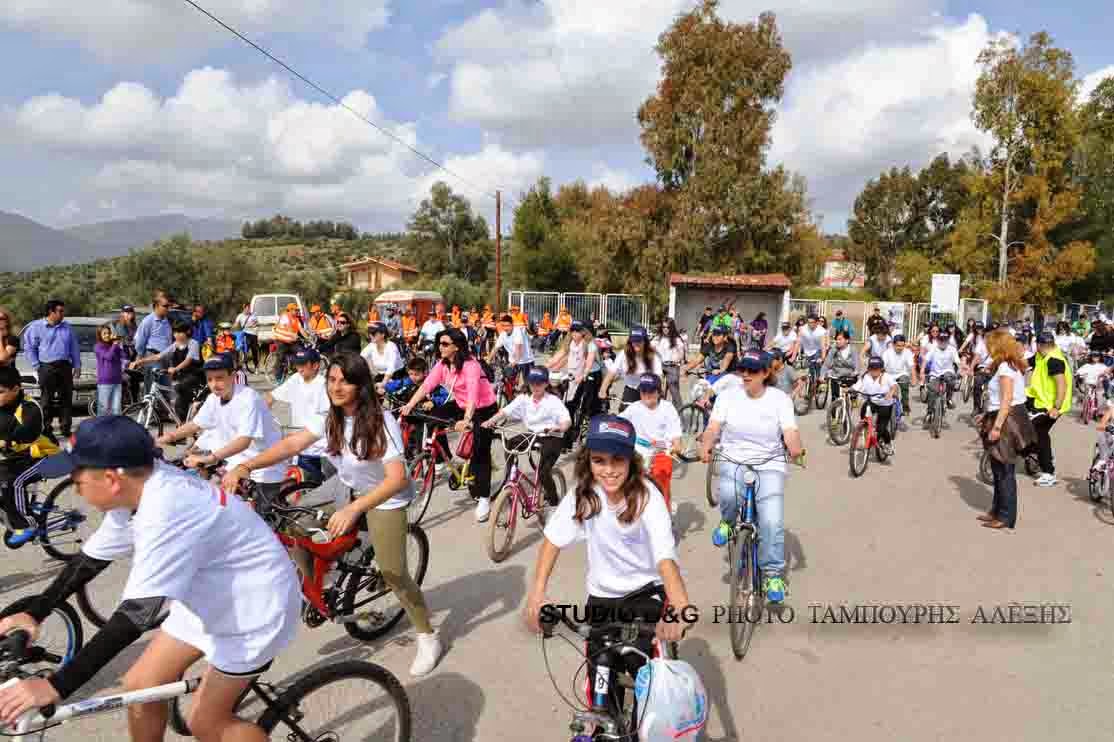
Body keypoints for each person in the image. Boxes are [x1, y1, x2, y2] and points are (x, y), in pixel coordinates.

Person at [0, 415, 301, 741]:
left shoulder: (166, 508)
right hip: (211, 595)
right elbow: (90, 560)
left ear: (112, 479)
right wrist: (35, 612)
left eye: (77, 478)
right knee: (141, 685)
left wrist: (55, 685)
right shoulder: (135, 490)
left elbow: (135, 615)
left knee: (207, 723)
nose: (74, 485)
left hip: (255, 610)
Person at [222, 353, 441, 676]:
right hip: (346, 485)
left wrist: (354, 509)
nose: (336, 387)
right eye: (332, 379)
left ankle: (427, 634)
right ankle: (318, 584)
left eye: (345, 381)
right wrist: (245, 466)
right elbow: (291, 444)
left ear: (361, 386)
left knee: (394, 572)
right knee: (293, 523)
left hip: (384, 497)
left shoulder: (381, 421)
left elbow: (397, 478)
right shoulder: (329, 417)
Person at [524, 414, 691, 688]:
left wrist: (680, 606)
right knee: (599, 678)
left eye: (618, 460)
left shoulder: (647, 496)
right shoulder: (584, 494)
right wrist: (537, 594)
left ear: (631, 461)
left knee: (648, 684)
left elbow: (665, 558)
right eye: (599, 460)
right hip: (602, 596)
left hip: (646, 592)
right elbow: (552, 542)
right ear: (587, 462)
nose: (609, 470)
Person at [700, 350, 804, 605]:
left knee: (771, 521)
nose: (745, 374)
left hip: (769, 463)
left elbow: (789, 431)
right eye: (742, 369)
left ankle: (772, 575)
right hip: (734, 457)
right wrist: (705, 444)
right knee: (728, 494)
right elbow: (713, 427)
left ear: (766, 373)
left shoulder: (779, 399)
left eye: (753, 370)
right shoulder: (727, 397)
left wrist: (796, 449)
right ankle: (727, 521)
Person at [156, 354, 289, 498]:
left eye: (219, 378)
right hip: (236, 461)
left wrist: (211, 458)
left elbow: (244, 441)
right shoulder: (213, 398)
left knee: (261, 515)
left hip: (263, 464)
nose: (214, 384)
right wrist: (167, 438)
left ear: (232, 376)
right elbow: (195, 424)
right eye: (210, 379)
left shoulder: (248, 399)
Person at [401, 328, 499, 523]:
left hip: (483, 408)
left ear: (457, 346)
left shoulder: (471, 365)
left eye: (445, 344)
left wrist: (467, 419)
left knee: (480, 452)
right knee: (432, 416)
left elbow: (473, 393)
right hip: (462, 405)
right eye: (440, 343)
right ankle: (441, 458)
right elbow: (427, 385)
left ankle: (484, 498)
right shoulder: (443, 364)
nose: (440, 347)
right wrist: (410, 404)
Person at [482, 366, 570, 506]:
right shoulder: (524, 398)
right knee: (510, 444)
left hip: (552, 435)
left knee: (543, 473)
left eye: (539, 383)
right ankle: (511, 474)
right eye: (532, 382)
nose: (535, 386)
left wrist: (560, 427)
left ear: (546, 383)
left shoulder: (552, 400)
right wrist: (490, 421)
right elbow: (505, 412)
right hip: (534, 434)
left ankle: (554, 502)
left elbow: (566, 420)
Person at [978, 329, 1036, 529]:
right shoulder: (1009, 365)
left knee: (1004, 470)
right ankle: (996, 510)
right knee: (997, 467)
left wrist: (996, 426)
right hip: (1007, 415)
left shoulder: (1004, 368)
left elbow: (1007, 399)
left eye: (990, 344)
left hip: (1007, 419)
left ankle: (1005, 516)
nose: (987, 348)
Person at [0, 366, 60, 547]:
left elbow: (26, 431)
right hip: (19, 457)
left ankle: (26, 525)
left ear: (16, 389)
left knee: (12, 482)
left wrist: (7, 441)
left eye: (1, 391)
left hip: (50, 458)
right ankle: (15, 511)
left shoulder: (30, 408)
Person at [265, 348, 330, 485]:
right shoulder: (295, 379)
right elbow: (271, 396)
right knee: (307, 486)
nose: (299, 368)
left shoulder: (323, 384)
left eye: (303, 364)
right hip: (302, 446)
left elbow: (327, 415)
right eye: (297, 364)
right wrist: (261, 413)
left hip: (323, 447)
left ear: (315, 365)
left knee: (330, 487)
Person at [620, 374, 683, 514]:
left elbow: (676, 435)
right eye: (643, 391)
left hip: (661, 452)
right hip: (638, 451)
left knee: (662, 486)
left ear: (659, 391)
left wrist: (676, 446)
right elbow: (618, 422)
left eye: (651, 391)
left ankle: (665, 518)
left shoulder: (667, 409)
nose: (646, 395)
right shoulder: (634, 408)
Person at [23, 299, 81, 439]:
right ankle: (46, 429)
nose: (63, 314)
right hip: (46, 367)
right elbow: (29, 347)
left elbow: (74, 347)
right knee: (46, 400)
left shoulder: (67, 327)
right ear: (51, 312)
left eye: (63, 311)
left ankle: (65, 428)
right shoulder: (36, 327)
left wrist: (77, 365)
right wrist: (37, 365)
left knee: (66, 399)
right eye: (60, 311)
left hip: (65, 366)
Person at [131, 322, 203, 424]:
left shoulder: (193, 343)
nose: (176, 335)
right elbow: (158, 356)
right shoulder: (175, 345)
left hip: (194, 376)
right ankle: (180, 423)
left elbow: (188, 360)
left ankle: (182, 425)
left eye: (179, 332)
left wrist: (175, 369)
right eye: (175, 332)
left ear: (187, 332)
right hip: (182, 377)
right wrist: (139, 362)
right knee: (179, 397)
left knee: (180, 393)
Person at [546, 321, 603, 450]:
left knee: (587, 407)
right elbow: (558, 357)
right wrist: (544, 368)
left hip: (591, 375)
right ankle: (566, 442)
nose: (574, 334)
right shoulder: (569, 342)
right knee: (568, 406)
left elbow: (588, 363)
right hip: (573, 377)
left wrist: (583, 375)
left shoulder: (590, 345)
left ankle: (588, 432)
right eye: (572, 331)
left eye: (577, 331)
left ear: (583, 332)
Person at [1025, 331, 1072, 487]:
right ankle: (1039, 454)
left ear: (1038, 345)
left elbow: (1061, 384)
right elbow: (1024, 364)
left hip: (1052, 406)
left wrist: (1056, 408)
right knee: (1029, 428)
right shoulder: (1040, 356)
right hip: (1038, 400)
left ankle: (1049, 472)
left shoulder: (1054, 360)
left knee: (1039, 432)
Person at [600, 326, 663, 412]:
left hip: (648, 391)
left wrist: (656, 394)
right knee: (624, 417)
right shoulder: (624, 354)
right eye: (634, 341)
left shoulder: (653, 356)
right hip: (630, 390)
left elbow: (658, 377)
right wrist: (603, 389)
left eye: (639, 341)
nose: (636, 343)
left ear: (645, 341)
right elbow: (611, 373)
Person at [851, 357, 897, 455]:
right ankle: (864, 427)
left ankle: (888, 443)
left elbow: (894, 386)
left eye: (877, 369)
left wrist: (890, 393)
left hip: (885, 404)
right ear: (868, 369)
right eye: (871, 368)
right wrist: (850, 390)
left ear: (881, 369)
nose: (874, 371)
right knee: (864, 409)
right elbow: (857, 386)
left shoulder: (886, 377)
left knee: (881, 428)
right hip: (872, 401)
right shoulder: (865, 376)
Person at [135, 292, 173, 394]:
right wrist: (140, 357)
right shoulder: (148, 321)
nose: (168, 308)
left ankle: (162, 410)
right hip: (153, 357)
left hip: (164, 358)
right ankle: (148, 409)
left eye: (169, 306)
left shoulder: (166, 321)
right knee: (152, 391)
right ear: (156, 306)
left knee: (164, 391)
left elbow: (169, 341)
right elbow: (140, 341)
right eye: (165, 306)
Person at [922, 331, 962, 415]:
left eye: (945, 340)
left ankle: (948, 399)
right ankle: (929, 412)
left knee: (951, 380)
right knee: (932, 392)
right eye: (941, 340)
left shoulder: (952, 349)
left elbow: (958, 362)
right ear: (937, 340)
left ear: (948, 341)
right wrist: (922, 370)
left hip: (948, 372)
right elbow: (926, 360)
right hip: (935, 374)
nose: (943, 342)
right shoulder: (933, 348)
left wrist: (960, 371)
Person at [882, 335, 917, 428]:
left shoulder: (907, 352)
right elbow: (882, 367)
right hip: (889, 375)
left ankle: (905, 405)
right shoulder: (887, 353)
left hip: (902, 374)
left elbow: (911, 367)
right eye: (898, 345)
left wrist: (914, 379)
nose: (900, 348)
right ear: (893, 345)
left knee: (905, 383)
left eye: (902, 345)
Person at [654, 318, 686, 411]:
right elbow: (650, 348)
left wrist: (678, 360)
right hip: (660, 367)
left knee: (675, 393)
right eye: (663, 327)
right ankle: (660, 413)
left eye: (668, 327)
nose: (665, 329)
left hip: (672, 367)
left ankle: (680, 414)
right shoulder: (658, 338)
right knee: (659, 392)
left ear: (671, 327)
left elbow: (681, 354)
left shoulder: (677, 339)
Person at [94, 324, 126, 417]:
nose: (107, 335)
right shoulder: (98, 347)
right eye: (104, 333)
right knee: (103, 410)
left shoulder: (114, 346)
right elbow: (108, 357)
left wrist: (119, 344)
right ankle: (101, 429)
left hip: (117, 381)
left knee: (116, 409)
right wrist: (114, 345)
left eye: (108, 333)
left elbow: (124, 355)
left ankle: (115, 430)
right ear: (100, 335)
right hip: (105, 382)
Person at [820, 331, 860, 402]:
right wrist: (822, 375)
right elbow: (826, 363)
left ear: (847, 340)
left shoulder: (852, 349)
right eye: (836, 339)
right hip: (836, 376)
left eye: (840, 339)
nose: (837, 341)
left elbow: (857, 363)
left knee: (851, 399)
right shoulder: (834, 349)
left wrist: (856, 371)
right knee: (835, 399)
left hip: (849, 376)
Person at [796, 315, 829, 390]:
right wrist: (795, 355)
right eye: (808, 322)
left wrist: (823, 358)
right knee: (810, 369)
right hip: (808, 351)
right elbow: (798, 342)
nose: (810, 324)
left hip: (818, 350)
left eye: (812, 322)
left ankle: (820, 380)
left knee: (817, 363)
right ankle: (811, 385)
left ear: (817, 323)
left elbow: (823, 345)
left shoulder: (822, 331)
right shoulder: (803, 329)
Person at [234, 302, 260, 370]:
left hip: (253, 334)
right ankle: (241, 364)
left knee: (254, 350)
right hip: (245, 334)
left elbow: (255, 324)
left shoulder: (253, 315)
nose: (248, 310)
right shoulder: (240, 316)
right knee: (243, 348)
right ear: (244, 308)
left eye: (249, 308)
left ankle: (256, 366)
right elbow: (236, 324)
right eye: (247, 308)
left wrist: (252, 325)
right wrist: (233, 327)